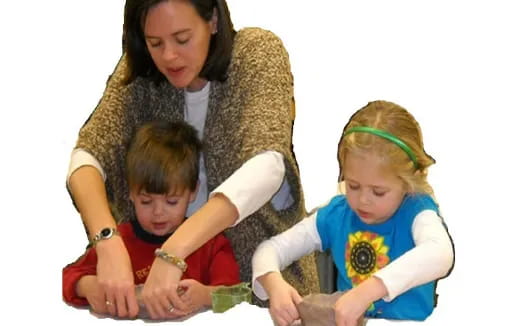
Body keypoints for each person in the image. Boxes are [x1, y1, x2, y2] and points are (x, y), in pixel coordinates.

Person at [66, 0, 319, 320]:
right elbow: (88, 154)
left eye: (182, 39)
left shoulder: (256, 53)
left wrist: (173, 251)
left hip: (263, 294)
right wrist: (107, 240)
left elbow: (267, 164)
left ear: (212, 20)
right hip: (160, 301)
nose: (168, 56)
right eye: (154, 43)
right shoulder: (140, 72)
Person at [252, 101, 455, 326]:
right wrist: (273, 283)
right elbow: (270, 249)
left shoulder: (417, 212)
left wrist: (369, 290)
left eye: (378, 192)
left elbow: (440, 254)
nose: (363, 200)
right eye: (353, 186)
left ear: (409, 183)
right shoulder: (338, 215)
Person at [63, 120, 240, 317]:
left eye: (172, 202)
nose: (158, 212)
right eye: (146, 201)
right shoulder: (119, 241)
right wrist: (87, 287)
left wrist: (206, 295)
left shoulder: (211, 243)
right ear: (131, 193)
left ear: (193, 192)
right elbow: (67, 277)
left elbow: (238, 295)